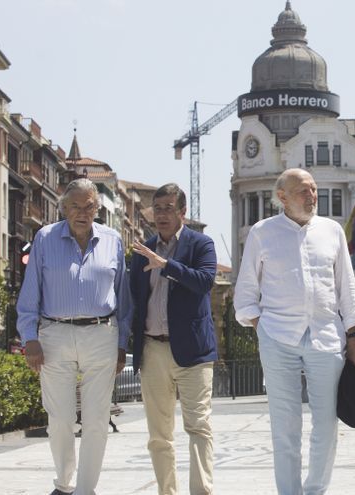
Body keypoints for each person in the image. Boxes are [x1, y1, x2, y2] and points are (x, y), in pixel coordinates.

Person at [233, 168, 355, 495]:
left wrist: (352, 335)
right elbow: (246, 293)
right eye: (304, 190)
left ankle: (315, 490)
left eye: (314, 189)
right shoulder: (262, 233)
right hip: (278, 340)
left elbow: (346, 288)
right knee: (285, 429)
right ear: (283, 197)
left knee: (325, 425)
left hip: (325, 337)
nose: (312, 195)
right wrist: (261, 326)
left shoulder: (332, 231)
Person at [16, 178, 132, 495]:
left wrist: (122, 343)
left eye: (89, 205)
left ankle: (85, 490)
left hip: (101, 334)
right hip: (53, 335)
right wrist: (30, 338)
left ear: (98, 208)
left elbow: (124, 298)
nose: (83, 212)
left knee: (96, 420)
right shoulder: (44, 238)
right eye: (76, 206)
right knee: (61, 419)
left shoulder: (113, 240)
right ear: (64, 208)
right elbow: (29, 294)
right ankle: (64, 484)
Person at [130, 183, 218, 494]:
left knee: (198, 426)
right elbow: (134, 302)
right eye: (158, 208)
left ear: (182, 212)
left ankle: (201, 491)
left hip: (193, 351)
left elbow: (205, 281)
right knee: (158, 435)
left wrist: (167, 265)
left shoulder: (201, 244)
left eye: (169, 208)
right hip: (153, 350)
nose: (162, 214)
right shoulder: (142, 252)